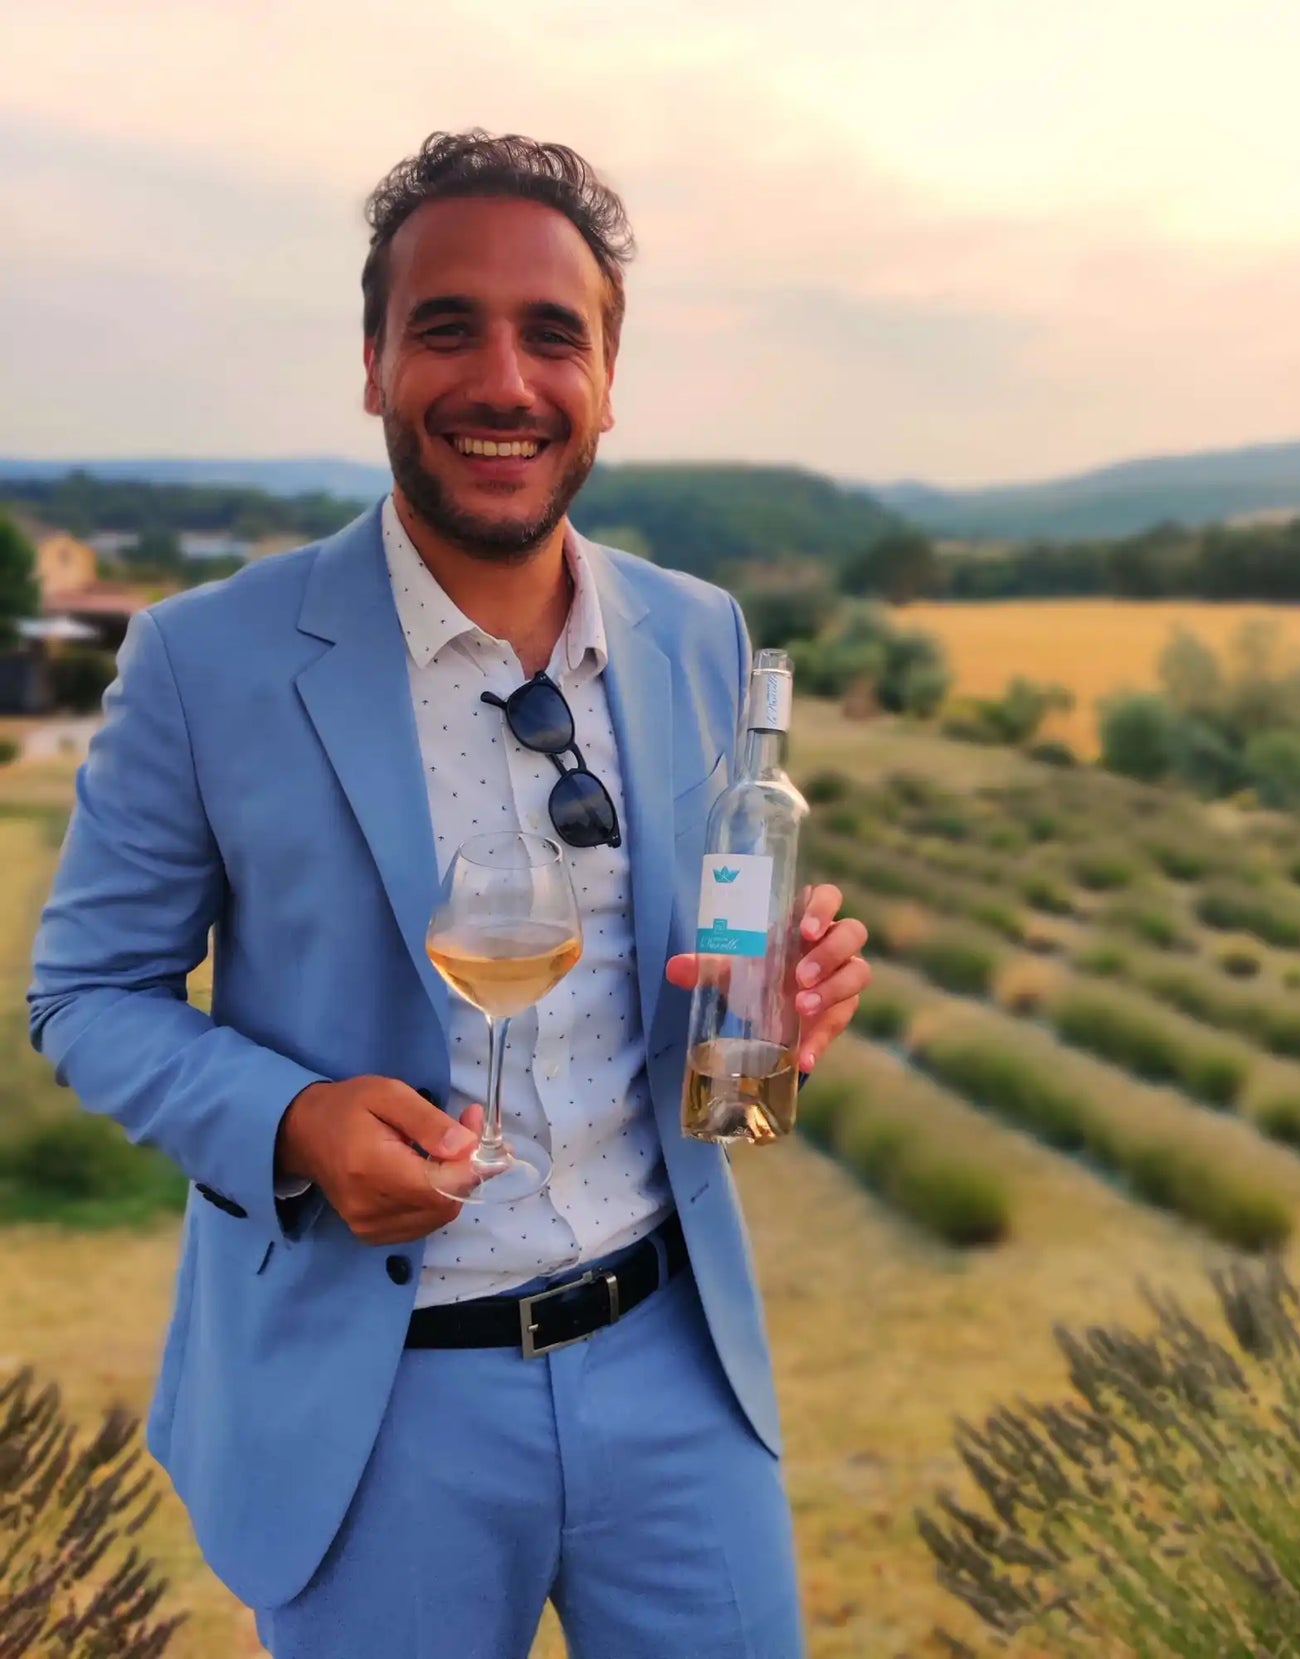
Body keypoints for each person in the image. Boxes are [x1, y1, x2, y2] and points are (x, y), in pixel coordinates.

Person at [27, 130, 871, 1659]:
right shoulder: (206, 659)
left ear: (608, 380)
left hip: (674, 1357)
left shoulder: (696, 632)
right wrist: (293, 1123)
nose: (504, 380)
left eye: (555, 334)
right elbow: (86, 998)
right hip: (377, 1399)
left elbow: (694, 962)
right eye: (447, 327)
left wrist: (770, 1016)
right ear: (372, 365)